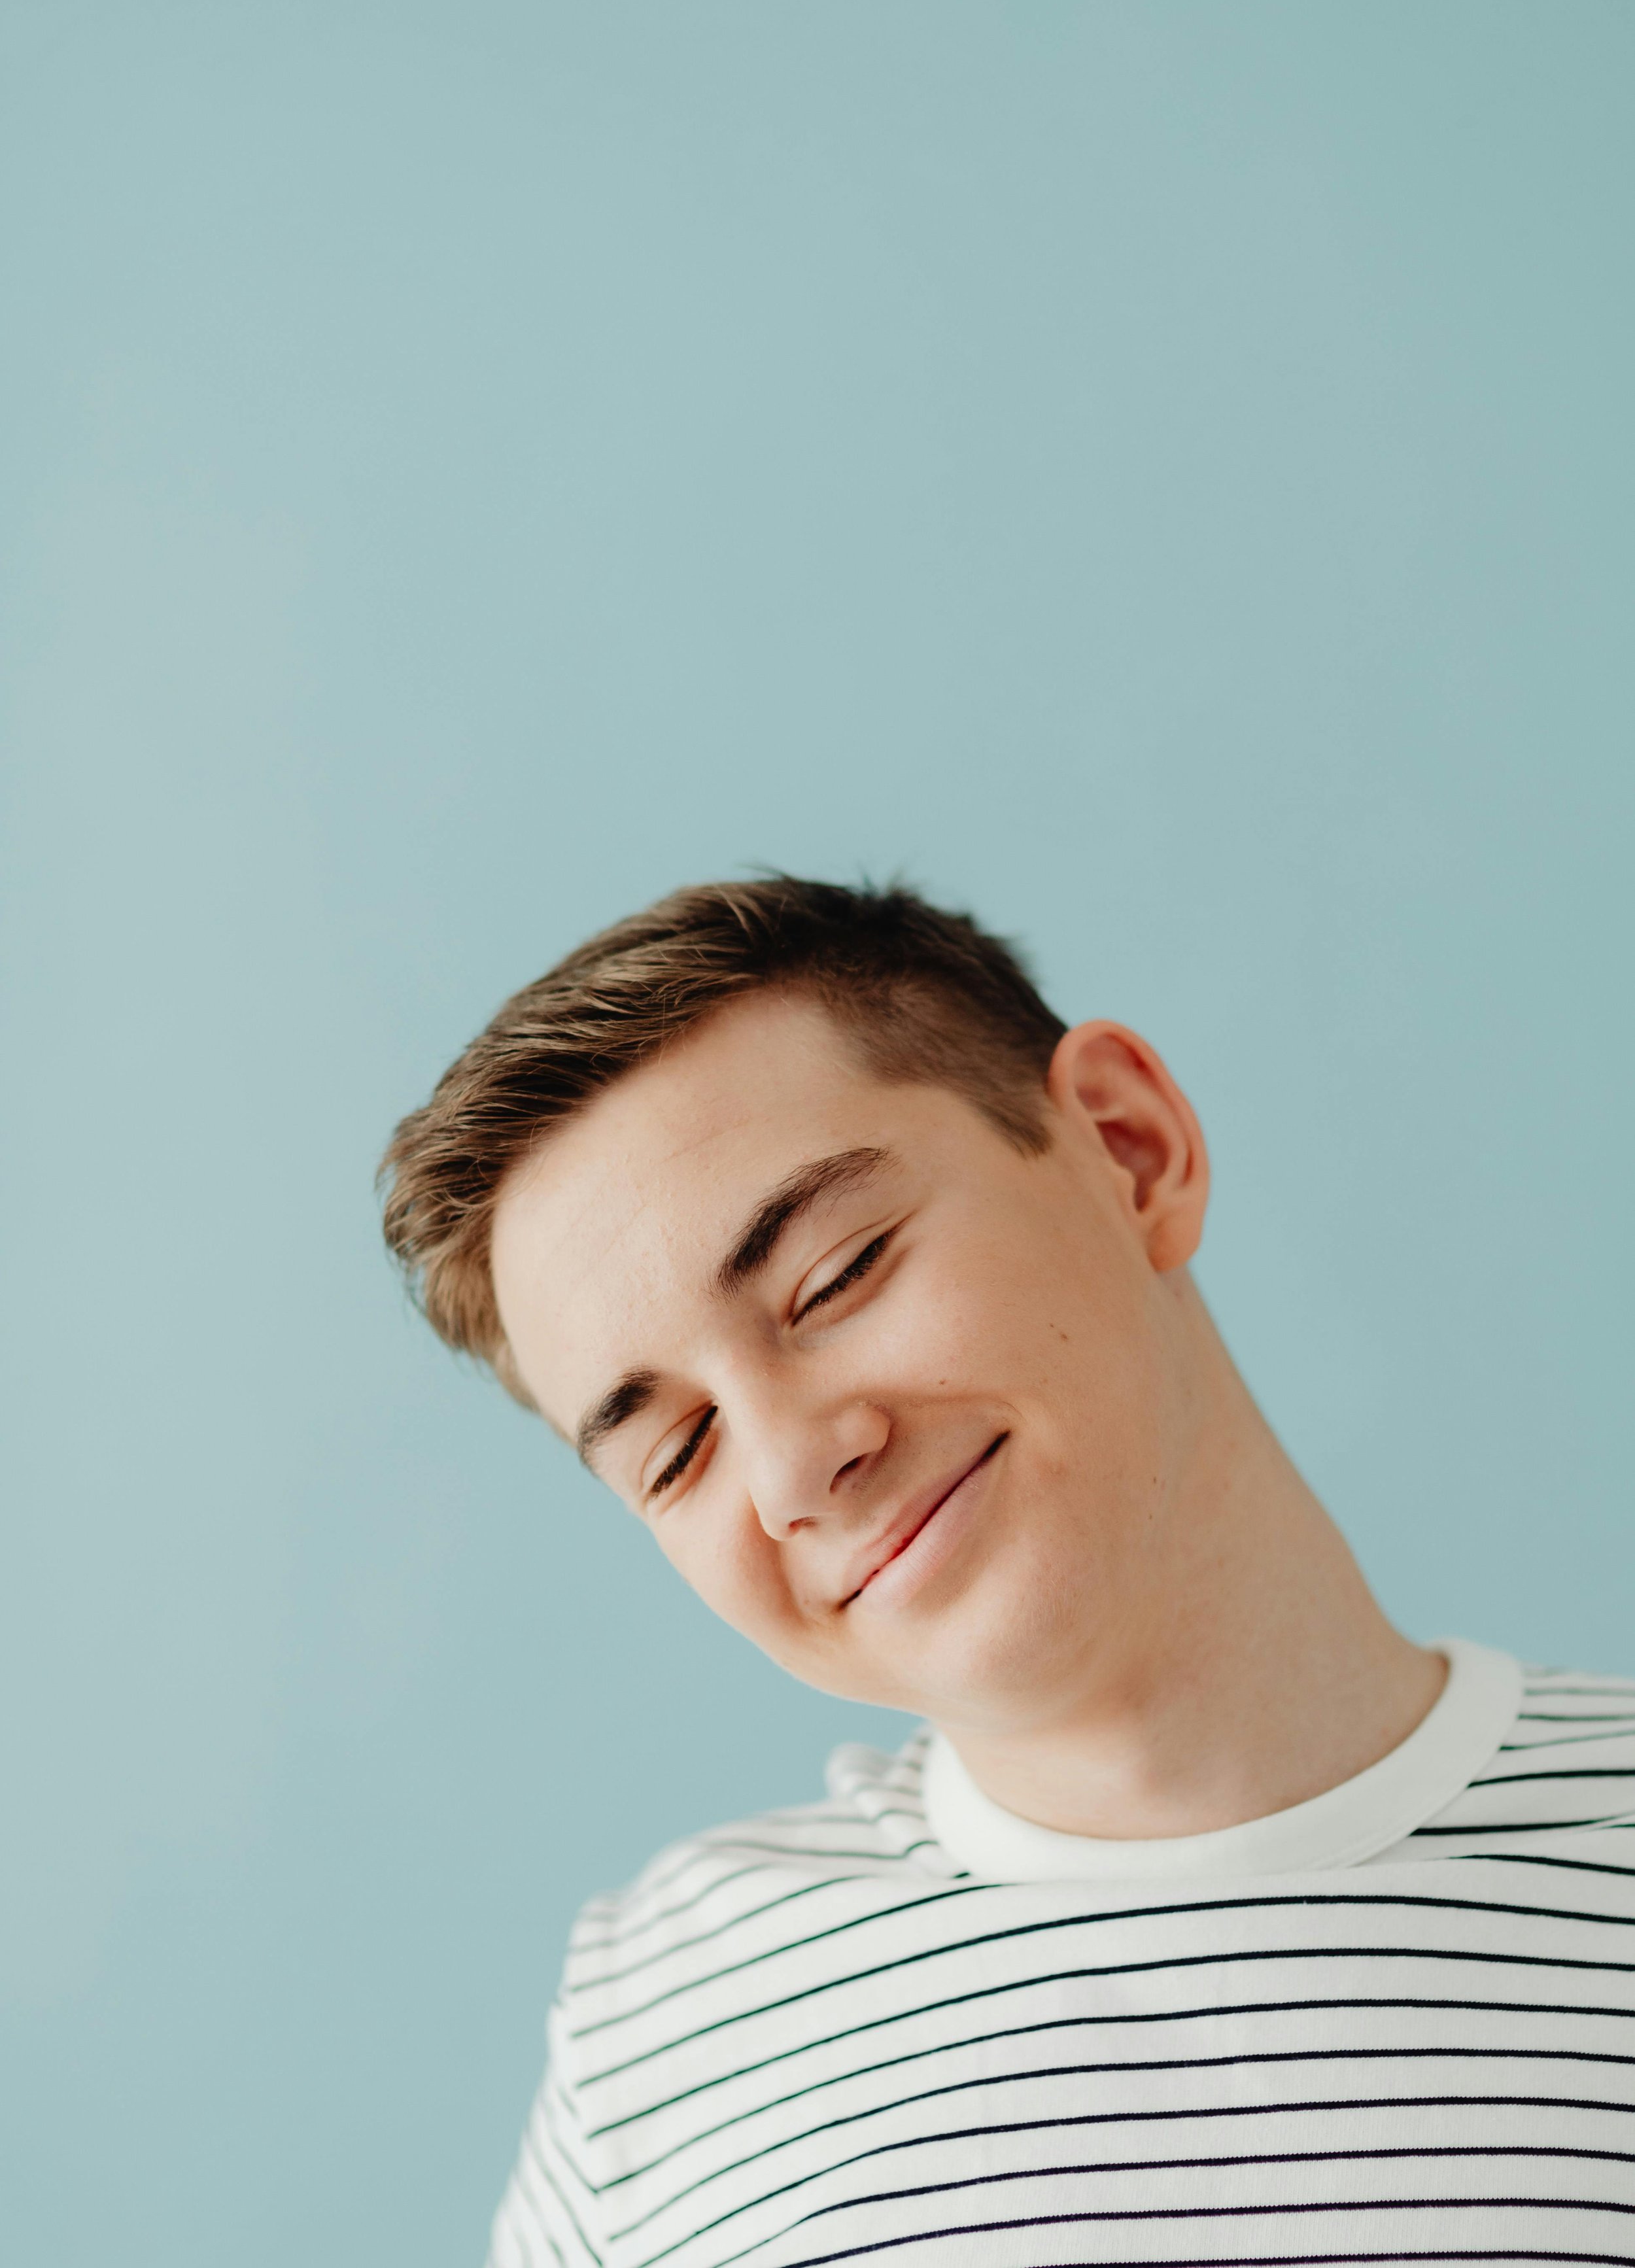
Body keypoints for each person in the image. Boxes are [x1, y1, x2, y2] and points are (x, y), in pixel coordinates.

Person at [381, 874, 1635, 2267]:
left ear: (1127, 1148)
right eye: (676, 1449)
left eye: (836, 1273)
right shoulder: (658, 2029)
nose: (794, 1472)